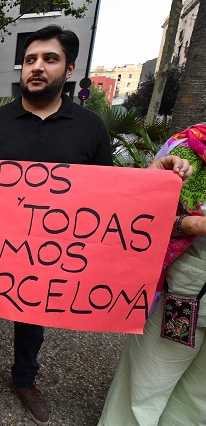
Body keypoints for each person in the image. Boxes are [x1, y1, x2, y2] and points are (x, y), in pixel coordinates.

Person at [0, 25, 192, 425]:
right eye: (31, 60)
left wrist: (155, 176)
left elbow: (111, 194)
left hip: (49, 256)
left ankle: (25, 379)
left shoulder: (90, 128)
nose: (37, 67)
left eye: (49, 59)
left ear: (68, 69)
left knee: (34, 314)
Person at [98, 123, 206, 426]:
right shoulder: (185, 148)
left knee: (199, 399)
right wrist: (190, 225)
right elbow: (139, 218)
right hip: (187, 288)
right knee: (147, 384)